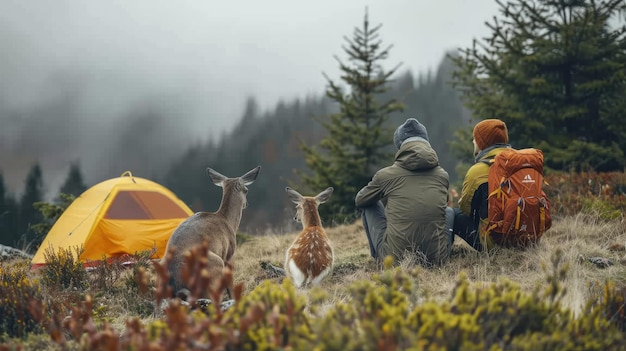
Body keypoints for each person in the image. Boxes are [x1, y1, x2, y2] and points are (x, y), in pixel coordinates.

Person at [355, 118, 452, 266]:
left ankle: (379, 259)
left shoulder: (385, 175)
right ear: (427, 143)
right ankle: (441, 253)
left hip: (395, 260)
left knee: (369, 205)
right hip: (436, 259)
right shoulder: (442, 175)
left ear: (400, 146)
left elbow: (360, 200)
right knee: (449, 211)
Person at [446, 119, 512, 251]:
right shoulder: (520, 163)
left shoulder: (478, 170)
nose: (473, 142)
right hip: (526, 236)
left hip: (495, 244)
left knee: (454, 214)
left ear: (483, 143)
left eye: (475, 139)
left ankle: (447, 252)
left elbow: (466, 208)